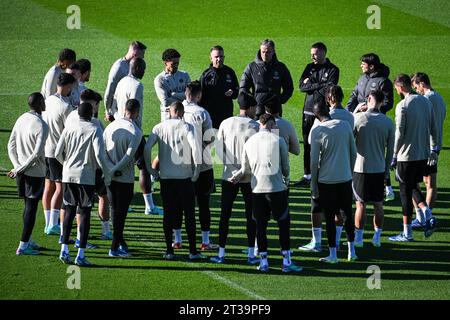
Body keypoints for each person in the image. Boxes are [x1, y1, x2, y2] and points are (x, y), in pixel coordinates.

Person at [230, 114, 301, 273]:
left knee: (260, 227)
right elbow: (286, 167)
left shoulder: (249, 142)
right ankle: (286, 261)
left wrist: (236, 177)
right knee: (283, 224)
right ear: (270, 124)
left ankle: (264, 262)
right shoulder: (279, 140)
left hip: (257, 191)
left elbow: (245, 170)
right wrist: (286, 180)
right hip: (276, 189)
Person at [144, 101, 205, 261]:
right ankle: (192, 250)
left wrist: (151, 170)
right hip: (184, 178)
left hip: (166, 179)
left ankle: (169, 250)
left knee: (168, 215)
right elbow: (196, 149)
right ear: (182, 112)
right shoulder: (187, 127)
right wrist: (197, 171)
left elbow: (147, 148)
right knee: (189, 215)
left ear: (171, 112)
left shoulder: (159, 127)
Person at [299, 85, 353, 252]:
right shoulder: (349, 118)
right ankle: (342, 244)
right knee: (344, 212)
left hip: (325, 174)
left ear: (329, 98)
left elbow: (310, 144)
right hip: (344, 173)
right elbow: (353, 149)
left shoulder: (320, 122)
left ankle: (318, 243)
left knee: (319, 209)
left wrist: (313, 182)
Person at [55, 102, 111, 266]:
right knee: (84, 213)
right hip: (86, 177)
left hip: (68, 175)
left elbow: (58, 152)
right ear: (92, 113)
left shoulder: (69, 127)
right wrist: (106, 173)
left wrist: (67, 164)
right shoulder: (95, 129)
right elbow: (100, 156)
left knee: (69, 210)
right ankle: (80, 254)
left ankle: (64, 249)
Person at [210, 92, 259, 264]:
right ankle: (251, 254)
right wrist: (243, 171)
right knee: (251, 215)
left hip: (228, 176)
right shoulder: (256, 126)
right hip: (249, 177)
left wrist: (231, 168)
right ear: (251, 107)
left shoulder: (226, 123)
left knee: (225, 215)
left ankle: (221, 253)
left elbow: (218, 148)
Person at [389, 74, 438, 242]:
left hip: (406, 156)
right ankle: (428, 214)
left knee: (404, 193)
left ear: (400, 87)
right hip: (422, 155)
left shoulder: (402, 105)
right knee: (413, 186)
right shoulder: (426, 102)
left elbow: (399, 133)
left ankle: (407, 233)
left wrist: (394, 154)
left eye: (396, 88)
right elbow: (434, 127)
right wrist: (434, 149)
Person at [112, 57, 163, 215]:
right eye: (143, 69)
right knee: (144, 168)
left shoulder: (121, 82)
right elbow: (133, 106)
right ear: (138, 68)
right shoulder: (137, 85)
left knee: (122, 167)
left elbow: (113, 104)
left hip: (119, 127)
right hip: (133, 130)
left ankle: (122, 203)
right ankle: (149, 206)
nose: (144, 72)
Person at [310, 102, 357, 263]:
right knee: (347, 215)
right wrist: (349, 172)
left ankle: (333, 255)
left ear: (317, 116)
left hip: (326, 181)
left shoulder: (318, 130)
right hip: (345, 178)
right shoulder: (345, 126)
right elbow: (354, 153)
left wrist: (313, 184)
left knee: (329, 217)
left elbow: (314, 162)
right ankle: (352, 251)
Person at [64, 89, 111, 245]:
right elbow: (101, 149)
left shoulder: (71, 116)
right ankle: (96, 233)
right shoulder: (95, 124)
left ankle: (66, 239)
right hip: (90, 169)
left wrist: (65, 162)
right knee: (91, 202)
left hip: (69, 168)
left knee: (70, 204)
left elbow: (61, 147)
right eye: (97, 105)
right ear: (92, 104)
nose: (97, 109)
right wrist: (106, 170)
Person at [345, 53, 395, 201]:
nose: (361, 65)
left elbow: (388, 103)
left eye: (363, 63)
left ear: (371, 66)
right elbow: (354, 95)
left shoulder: (384, 82)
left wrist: (369, 107)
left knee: (376, 153)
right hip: (359, 119)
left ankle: (387, 186)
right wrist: (348, 112)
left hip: (376, 120)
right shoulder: (362, 79)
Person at [7, 93, 49, 255]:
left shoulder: (21, 118)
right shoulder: (42, 125)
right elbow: (37, 154)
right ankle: (23, 245)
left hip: (21, 172)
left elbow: (11, 145)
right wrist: (20, 168)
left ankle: (29, 239)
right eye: (43, 101)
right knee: (31, 208)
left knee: (27, 206)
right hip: (34, 173)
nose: (45, 103)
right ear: (39, 104)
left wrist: (17, 167)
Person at [353, 90, 394, 247]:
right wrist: (385, 170)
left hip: (360, 168)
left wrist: (356, 110)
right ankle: (377, 237)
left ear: (369, 99)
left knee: (360, 204)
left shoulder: (359, 118)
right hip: (378, 168)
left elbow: (349, 140)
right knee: (378, 204)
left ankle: (358, 238)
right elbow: (390, 151)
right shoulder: (388, 122)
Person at [295, 42, 339, 187]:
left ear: (323, 53)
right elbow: (302, 87)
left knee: (323, 145)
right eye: (311, 54)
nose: (312, 56)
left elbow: (329, 89)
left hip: (323, 113)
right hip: (308, 112)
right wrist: (318, 84)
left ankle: (322, 175)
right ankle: (307, 175)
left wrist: (312, 85)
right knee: (307, 144)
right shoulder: (309, 67)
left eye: (315, 53)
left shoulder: (333, 70)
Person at [104, 99, 143, 257]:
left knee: (114, 210)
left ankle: (120, 242)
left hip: (110, 177)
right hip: (125, 178)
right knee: (122, 213)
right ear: (136, 112)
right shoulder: (136, 131)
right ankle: (114, 248)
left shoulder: (110, 127)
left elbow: (103, 152)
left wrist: (110, 170)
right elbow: (129, 157)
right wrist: (116, 169)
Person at [182, 81, 217, 251]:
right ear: (198, 95)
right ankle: (205, 241)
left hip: (180, 164)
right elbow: (210, 139)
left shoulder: (175, 110)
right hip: (202, 165)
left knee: (183, 204)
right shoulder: (202, 113)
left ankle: (178, 239)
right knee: (204, 203)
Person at [41, 73, 77, 236]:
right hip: (58, 151)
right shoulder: (66, 106)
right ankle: (52, 224)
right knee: (60, 187)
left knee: (48, 186)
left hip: (45, 149)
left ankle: (48, 220)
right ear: (68, 86)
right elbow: (68, 131)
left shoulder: (47, 100)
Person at [411, 72, 446, 230]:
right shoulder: (439, 98)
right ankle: (428, 216)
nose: (416, 90)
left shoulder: (425, 100)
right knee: (430, 183)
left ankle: (421, 216)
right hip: (436, 146)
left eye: (416, 86)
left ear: (422, 84)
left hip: (423, 147)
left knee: (412, 182)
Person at [240, 39, 293, 117]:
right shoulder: (251, 67)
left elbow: (289, 87)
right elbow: (243, 88)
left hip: (274, 112)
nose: (265, 54)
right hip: (257, 112)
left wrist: (280, 100)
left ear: (273, 51)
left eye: (268, 52)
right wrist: (252, 102)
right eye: (263, 52)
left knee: (274, 129)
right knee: (258, 129)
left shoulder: (281, 67)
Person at [104, 41, 147, 122]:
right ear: (134, 54)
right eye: (141, 56)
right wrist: (108, 111)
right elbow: (109, 91)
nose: (142, 59)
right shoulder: (118, 68)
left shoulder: (131, 66)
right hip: (120, 113)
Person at [199, 45, 239, 129]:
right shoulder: (206, 75)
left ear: (224, 57)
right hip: (211, 115)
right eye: (216, 57)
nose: (219, 59)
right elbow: (200, 96)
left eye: (221, 56)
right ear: (211, 58)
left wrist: (232, 93)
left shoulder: (230, 72)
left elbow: (236, 91)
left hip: (226, 114)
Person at [154, 48, 191, 122]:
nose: (176, 66)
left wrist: (174, 94)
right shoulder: (160, 79)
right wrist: (183, 98)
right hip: (167, 116)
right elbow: (165, 101)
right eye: (173, 64)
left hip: (184, 115)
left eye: (177, 63)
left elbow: (190, 96)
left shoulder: (184, 75)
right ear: (165, 63)